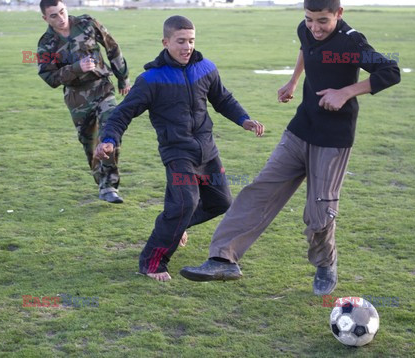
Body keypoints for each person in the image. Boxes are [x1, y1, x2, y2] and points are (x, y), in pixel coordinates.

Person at [180, 0, 400, 296]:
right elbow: (305, 48)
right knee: (260, 189)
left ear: (339, 14)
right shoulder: (306, 30)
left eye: (322, 21)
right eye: (309, 19)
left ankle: (325, 263)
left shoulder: (351, 42)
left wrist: (346, 92)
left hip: (333, 139)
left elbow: (391, 71)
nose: (315, 28)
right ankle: (222, 258)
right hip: (299, 130)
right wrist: (293, 81)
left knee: (319, 214)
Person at [94, 15, 265, 282]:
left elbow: (223, 98)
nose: (187, 47)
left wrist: (244, 119)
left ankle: (177, 224)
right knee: (185, 202)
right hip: (178, 153)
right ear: (166, 42)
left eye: (191, 41)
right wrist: (109, 140)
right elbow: (121, 114)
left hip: (207, 150)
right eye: (181, 41)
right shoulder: (151, 80)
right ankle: (152, 262)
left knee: (221, 202)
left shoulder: (205, 68)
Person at [37, 0, 131, 203]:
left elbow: (112, 46)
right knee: (90, 144)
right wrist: (76, 68)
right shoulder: (46, 44)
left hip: (102, 88)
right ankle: (101, 180)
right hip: (76, 98)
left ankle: (109, 186)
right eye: (54, 15)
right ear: (45, 18)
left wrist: (123, 77)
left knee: (110, 133)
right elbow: (49, 77)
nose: (61, 18)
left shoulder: (87, 23)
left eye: (62, 12)